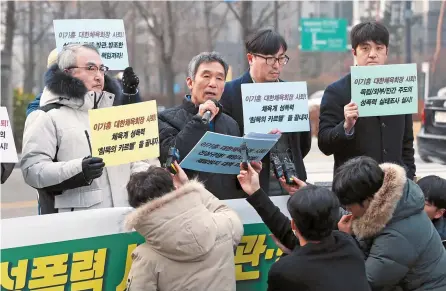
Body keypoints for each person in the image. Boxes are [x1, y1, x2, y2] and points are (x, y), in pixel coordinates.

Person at [21, 44, 159, 214]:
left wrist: (146, 176)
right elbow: (32, 170)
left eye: (102, 69)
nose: (99, 76)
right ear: (67, 72)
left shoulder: (113, 114)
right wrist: (80, 169)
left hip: (124, 220)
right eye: (91, 68)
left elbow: (136, 161)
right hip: (77, 228)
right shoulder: (46, 116)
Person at [237, 163, 370, 291]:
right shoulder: (348, 246)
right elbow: (289, 234)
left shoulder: (285, 271)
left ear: (294, 224)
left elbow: (294, 241)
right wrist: (256, 193)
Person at [318, 21, 416, 179]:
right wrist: (346, 126)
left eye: (379, 48)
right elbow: (324, 145)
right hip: (354, 188)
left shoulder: (400, 87)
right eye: (365, 48)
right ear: (354, 52)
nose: (372, 54)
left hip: (394, 187)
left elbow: (407, 143)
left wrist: (409, 178)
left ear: (386, 52)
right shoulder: (336, 91)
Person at [124, 161, 243, 291]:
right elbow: (225, 211)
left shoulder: (146, 257)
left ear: (138, 209)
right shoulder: (223, 225)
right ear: (175, 190)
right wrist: (188, 187)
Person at [221, 28, 311, 196]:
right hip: (248, 188)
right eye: (270, 59)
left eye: (281, 58)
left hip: (291, 185)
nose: (276, 65)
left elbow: (303, 145)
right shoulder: (229, 93)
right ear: (250, 58)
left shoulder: (292, 93)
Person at [334, 156, 446, 290]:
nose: (347, 209)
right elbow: (349, 215)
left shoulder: (399, 235)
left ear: (369, 200)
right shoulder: (390, 201)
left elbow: (366, 282)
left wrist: (347, 240)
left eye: (349, 207)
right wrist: (313, 197)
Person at [158, 52, 243, 199]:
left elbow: (232, 176)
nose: (213, 83)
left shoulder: (231, 124)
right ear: (190, 82)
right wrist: (199, 120)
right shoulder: (165, 118)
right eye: (206, 76)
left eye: (219, 78)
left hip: (224, 210)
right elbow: (171, 159)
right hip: (187, 208)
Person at [26, 49, 142, 117]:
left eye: (99, 68)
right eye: (90, 68)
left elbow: (129, 123)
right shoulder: (46, 104)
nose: (97, 76)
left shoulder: (107, 97)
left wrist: (130, 94)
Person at [417, 175, 446, 240]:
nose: (414, 204)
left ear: (438, 213)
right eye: (414, 198)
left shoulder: (440, 241)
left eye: (424, 203)